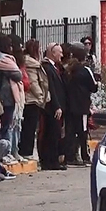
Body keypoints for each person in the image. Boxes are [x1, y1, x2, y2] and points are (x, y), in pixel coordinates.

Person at [62, 44, 98, 166]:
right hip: (82, 107)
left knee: (70, 131)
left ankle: (69, 156)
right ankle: (84, 156)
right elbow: (94, 87)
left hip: (69, 106)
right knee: (82, 131)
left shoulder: (67, 70)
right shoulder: (85, 70)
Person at [39, 43, 67, 171]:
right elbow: (51, 89)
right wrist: (57, 106)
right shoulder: (47, 68)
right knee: (52, 134)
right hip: (52, 107)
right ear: (52, 52)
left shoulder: (55, 67)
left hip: (58, 105)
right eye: (59, 52)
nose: (61, 55)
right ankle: (50, 161)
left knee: (56, 134)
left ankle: (54, 159)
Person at [21, 39, 47, 161]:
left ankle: (27, 150)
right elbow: (33, 82)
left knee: (29, 127)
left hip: (30, 99)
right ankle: (27, 151)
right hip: (32, 100)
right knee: (29, 128)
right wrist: (41, 97)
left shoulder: (31, 62)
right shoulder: (31, 64)